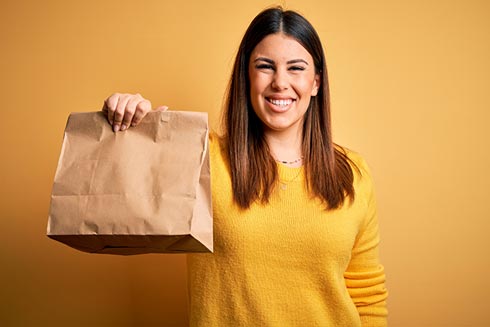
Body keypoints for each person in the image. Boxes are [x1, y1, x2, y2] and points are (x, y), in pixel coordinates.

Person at [102, 7, 388, 326]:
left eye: (296, 68)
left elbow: (367, 294)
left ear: (316, 82)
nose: (280, 82)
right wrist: (126, 122)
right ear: (247, 77)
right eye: (265, 66)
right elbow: (117, 206)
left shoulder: (352, 173)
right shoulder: (201, 157)